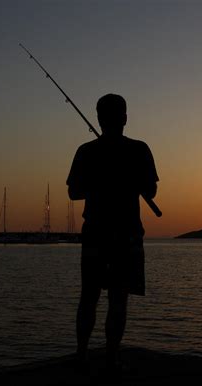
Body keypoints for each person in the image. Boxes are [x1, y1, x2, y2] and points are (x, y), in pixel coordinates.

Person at [67, 93, 159, 369]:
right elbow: (151, 190)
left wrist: (98, 183)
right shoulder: (140, 149)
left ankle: (82, 355)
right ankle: (111, 357)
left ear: (98, 118)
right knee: (118, 298)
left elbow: (74, 192)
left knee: (89, 296)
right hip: (127, 234)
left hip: (95, 233)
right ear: (125, 118)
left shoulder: (86, 151)